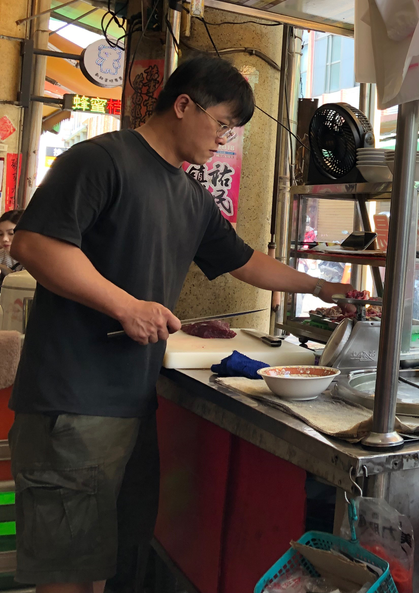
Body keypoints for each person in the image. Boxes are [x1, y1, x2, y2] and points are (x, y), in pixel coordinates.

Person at [8, 56, 351, 592]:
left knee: (114, 560)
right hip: (72, 402)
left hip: (130, 406)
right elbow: (36, 244)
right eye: (221, 123)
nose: (224, 139)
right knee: (68, 571)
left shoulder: (190, 195)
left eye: (232, 131)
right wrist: (126, 305)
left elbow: (243, 260)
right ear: (184, 104)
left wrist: (320, 287)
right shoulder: (100, 160)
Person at [0, 210, 25, 282]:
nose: (4, 239)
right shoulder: (1, 255)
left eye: (11, 233)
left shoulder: (37, 258)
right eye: (0, 234)